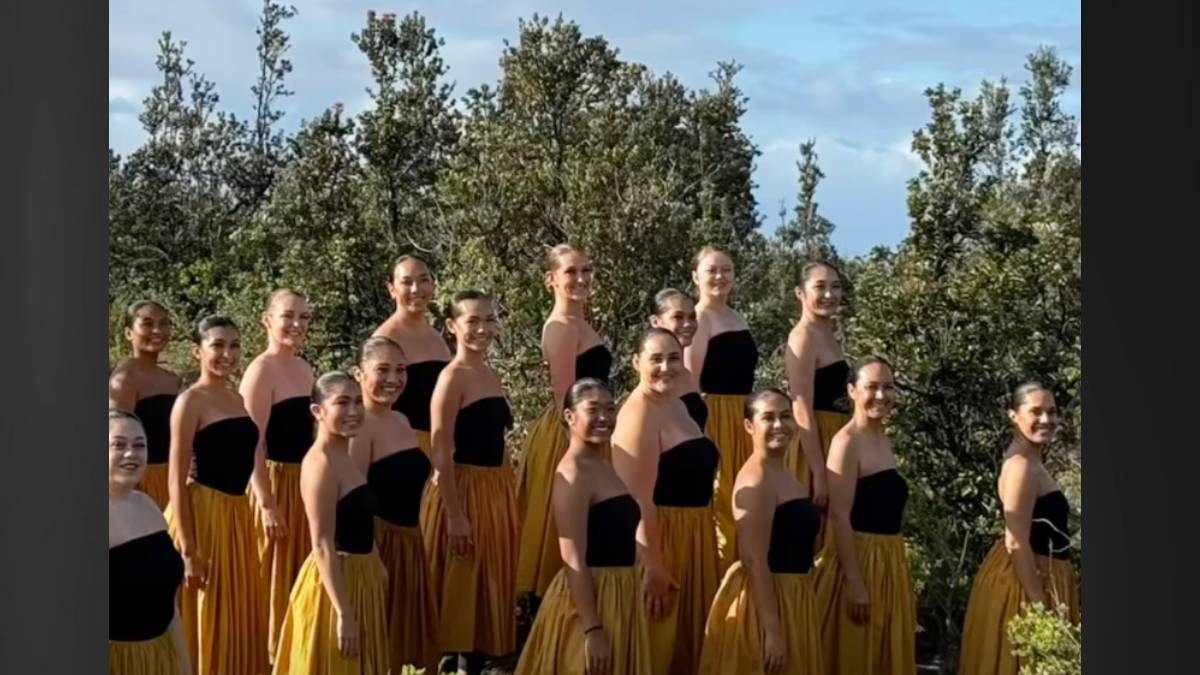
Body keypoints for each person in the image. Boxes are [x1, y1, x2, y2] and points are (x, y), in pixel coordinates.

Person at [516, 379, 653, 675]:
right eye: (593, 410)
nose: (604, 417)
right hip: (592, 602)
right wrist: (592, 629)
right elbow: (573, 559)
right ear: (569, 416)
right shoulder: (573, 474)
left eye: (610, 409)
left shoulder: (603, 464)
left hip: (621, 596)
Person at [421, 290, 519, 675]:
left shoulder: (489, 373)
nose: (482, 329)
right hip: (462, 492)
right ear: (452, 326)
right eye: (472, 321)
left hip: (493, 490)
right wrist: (455, 515)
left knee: (485, 590)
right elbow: (440, 451)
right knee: (460, 591)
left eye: (489, 320)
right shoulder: (451, 379)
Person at [613, 328, 720, 675]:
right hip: (663, 540)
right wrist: (654, 567)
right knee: (660, 644)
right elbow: (636, 499)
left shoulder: (676, 404)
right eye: (655, 359)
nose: (666, 367)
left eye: (673, 358)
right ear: (636, 363)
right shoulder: (639, 413)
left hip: (694, 536)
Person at [165, 315, 268, 675]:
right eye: (217, 345)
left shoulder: (236, 398)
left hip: (237, 515)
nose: (228, 353)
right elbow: (175, 479)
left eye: (234, 345)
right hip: (203, 515)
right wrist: (189, 551)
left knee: (236, 606)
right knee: (207, 612)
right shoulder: (190, 402)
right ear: (197, 351)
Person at [957, 383, 1080, 675]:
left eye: (1052, 412)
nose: (1046, 419)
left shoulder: (1032, 460)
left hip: (1043, 575)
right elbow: (1016, 541)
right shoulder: (1021, 466)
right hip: (1024, 584)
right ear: (1013, 414)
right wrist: (1040, 610)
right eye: (1035, 411)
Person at [699, 389, 824, 675]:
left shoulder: (784, 471)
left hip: (795, 597)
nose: (779, 425)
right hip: (768, 604)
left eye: (785, 416)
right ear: (749, 425)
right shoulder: (755, 480)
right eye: (768, 418)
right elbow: (754, 560)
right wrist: (773, 631)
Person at [272, 372, 389, 674]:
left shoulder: (344, 455)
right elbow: (322, 543)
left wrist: (376, 564)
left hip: (362, 579)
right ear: (318, 411)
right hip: (338, 587)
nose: (353, 411)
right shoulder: (320, 464)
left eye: (358, 402)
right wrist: (344, 614)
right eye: (342, 403)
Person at [517, 244, 613, 602]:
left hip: (593, 427)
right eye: (571, 271)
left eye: (586, 270)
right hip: (569, 434)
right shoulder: (560, 327)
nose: (581, 278)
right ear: (551, 279)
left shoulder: (579, 322)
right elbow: (564, 399)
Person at [812, 356, 916, 675]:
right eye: (872, 387)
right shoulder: (846, 443)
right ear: (852, 390)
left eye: (888, 387)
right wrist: (855, 583)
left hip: (889, 561)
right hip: (859, 561)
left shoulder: (882, 437)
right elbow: (839, 517)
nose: (881, 395)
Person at [349, 336, 440, 674]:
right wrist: (372, 558)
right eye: (382, 370)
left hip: (410, 543)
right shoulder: (359, 426)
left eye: (400, 370)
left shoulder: (401, 420)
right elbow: (352, 500)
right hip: (378, 546)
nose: (393, 379)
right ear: (359, 373)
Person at [241, 289, 317, 664]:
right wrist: (267, 504)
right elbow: (251, 443)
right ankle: (268, 659)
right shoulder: (260, 371)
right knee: (272, 576)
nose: (296, 324)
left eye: (303, 317)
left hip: (304, 484)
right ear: (267, 320)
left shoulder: (305, 369)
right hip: (272, 484)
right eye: (288, 316)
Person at [684, 246, 759, 574]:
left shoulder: (737, 317)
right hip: (714, 419)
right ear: (695, 277)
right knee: (723, 501)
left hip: (744, 417)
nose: (720, 276)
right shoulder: (698, 318)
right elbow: (691, 382)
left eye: (726, 269)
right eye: (712, 270)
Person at [109, 410, 189, 675]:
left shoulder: (148, 505)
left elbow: (168, 602)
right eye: (118, 444)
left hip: (162, 658)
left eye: (139, 445)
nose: (131, 454)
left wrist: (184, 667)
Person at [784, 262, 849, 555]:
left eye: (835, 287)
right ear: (800, 292)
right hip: (815, 445)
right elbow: (801, 408)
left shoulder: (828, 334)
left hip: (836, 439)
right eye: (820, 287)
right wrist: (819, 473)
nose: (829, 294)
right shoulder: (803, 337)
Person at [373, 255, 453, 454]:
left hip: (441, 450)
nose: (416, 289)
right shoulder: (384, 340)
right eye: (407, 282)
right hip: (402, 451)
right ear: (392, 289)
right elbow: (373, 407)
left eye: (423, 280)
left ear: (433, 285)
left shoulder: (436, 338)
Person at [109, 300, 182, 510]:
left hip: (172, 479)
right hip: (141, 483)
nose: (157, 330)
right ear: (128, 333)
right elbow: (116, 440)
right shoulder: (125, 379)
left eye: (163, 323)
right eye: (148, 324)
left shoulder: (171, 379)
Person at [649, 288, 706, 429]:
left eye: (692, 317)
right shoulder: (655, 375)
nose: (688, 324)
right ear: (655, 322)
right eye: (678, 317)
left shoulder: (684, 373)